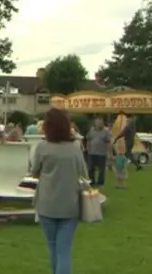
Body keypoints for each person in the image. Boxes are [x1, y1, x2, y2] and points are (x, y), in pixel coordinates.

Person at [31, 108, 88, 274]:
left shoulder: (42, 147)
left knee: (53, 247)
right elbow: (83, 173)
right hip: (70, 204)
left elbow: (35, 171)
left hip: (47, 203)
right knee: (64, 249)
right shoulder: (75, 148)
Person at [86, 117, 112, 188]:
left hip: (102, 153)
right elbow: (88, 139)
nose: (99, 124)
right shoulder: (91, 130)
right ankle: (92, 182)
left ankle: (100, 183)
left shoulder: (106, 131)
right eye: (97, 122)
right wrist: (88, 149)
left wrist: (109, 153)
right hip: (92, 153)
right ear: (95, 123)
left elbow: (108, 143)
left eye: (100, 122)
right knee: (91, 168)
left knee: (101, 169)